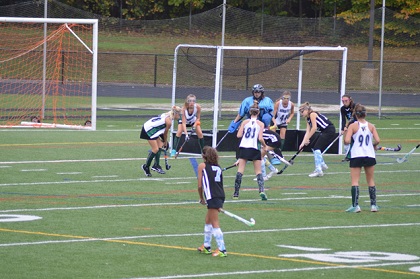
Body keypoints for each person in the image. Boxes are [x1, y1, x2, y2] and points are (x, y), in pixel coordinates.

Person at [344, 103, 380, 213]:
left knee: (355, 181)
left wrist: (346, 134)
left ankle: (356, 206)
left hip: (356, 155)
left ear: (355, 114)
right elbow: (378, 140)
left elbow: (347, 141)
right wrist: (373, 146)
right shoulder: (371, 126)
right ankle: (373, 205)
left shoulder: (353, 126)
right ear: (365, 114)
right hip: (369, 155)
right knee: (370, 180)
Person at [233, 103, 268, 200]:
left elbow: (239, 135)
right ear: (258, 112)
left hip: (244, 147)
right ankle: (261, 191)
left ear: (249, 112)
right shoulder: (261, 124)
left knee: (240, 171)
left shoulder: (245, 122)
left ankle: (236, 193)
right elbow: (260, 138)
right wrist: (265, 146)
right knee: (258, 171)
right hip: (254, 148)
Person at [197, 146, 227, 257]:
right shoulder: (218, 167)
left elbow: (200, 185)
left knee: (214, 222)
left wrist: (201, 198)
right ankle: (206, 246)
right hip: (219, 195)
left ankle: (222, 249)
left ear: (204, 156)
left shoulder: (202, 166)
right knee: (208, 220)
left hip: (212, 196)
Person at [140, 106, 182, 177]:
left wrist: (164, 142)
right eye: (179, 114)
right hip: (148, 130)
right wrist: (165, 142)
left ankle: (156, 165)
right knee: (155, 149)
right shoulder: (169, 122)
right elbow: (165, 134)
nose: (180, 116)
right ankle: (146, 166)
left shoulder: (167, 114)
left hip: (154, 129)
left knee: (160, 146)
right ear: (175, 114)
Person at [299, 102, 336, 177]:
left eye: (302, 111)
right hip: (324, 131)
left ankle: (319, 170)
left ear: (307, 110)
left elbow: (314, 128)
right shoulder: (307, 119)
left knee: (317, 148)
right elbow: (307, 131)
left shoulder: (312, 114)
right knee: (313, 146)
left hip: (329, 130)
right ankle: (322, 164)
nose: (301, 113)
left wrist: (307, 139)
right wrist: (302, 143)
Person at [340, 94, 356, 161]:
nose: (344, 102)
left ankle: (350, 156)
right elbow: (343, 119)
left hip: (357, 124)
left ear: (349, 100)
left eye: (346, 101)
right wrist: (342, 128)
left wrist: (347, 125)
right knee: (347, 140)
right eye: (343, 101)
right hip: (350, 125)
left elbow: (354, 117)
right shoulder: (342, 108)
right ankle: (349, 155)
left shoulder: (354, 106)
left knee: (353, 140)